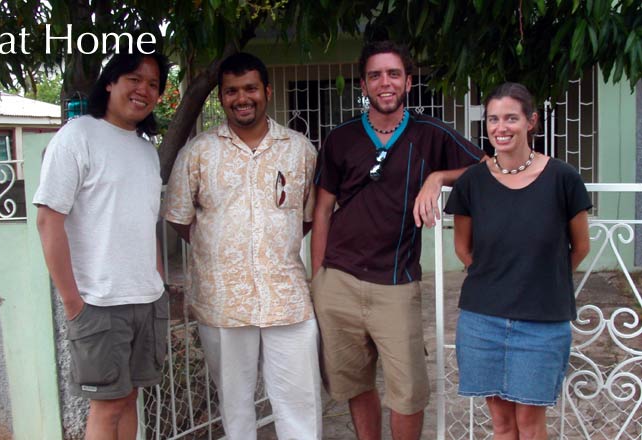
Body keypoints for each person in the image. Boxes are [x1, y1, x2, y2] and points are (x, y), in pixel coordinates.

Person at [311, 40, 485, 440]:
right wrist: (318, 278)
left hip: (396, 284)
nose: (384, 83)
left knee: (407, 393)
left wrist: (436, 177)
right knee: (355, 384)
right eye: (375, 75)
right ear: (363, 84)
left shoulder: (431, 134)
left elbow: (485, 168)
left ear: (408, 80)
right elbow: (322, 210)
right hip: (338, 281)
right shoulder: (341, 138)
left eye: (393, 74)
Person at [162, 52, 322, 440]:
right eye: (231, 91)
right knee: (234, 407)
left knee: (299, 403)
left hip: (286, 300)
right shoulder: (198, 152)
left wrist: (266, 245)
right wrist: (223, 248)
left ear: (266, 91)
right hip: (222, 304)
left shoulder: (299, 150)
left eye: (250, 88)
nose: (241, 97)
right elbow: (182, 220)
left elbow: (305, 217)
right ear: (221, 97)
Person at [33, 49, 170, 440]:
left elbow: (143, 224)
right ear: (110, 81)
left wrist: (157, 282)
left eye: (154, 84)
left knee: (129, 399)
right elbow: (48, 220)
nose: (144, 90)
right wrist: (74, 303)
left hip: (145, 300)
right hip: (98, 303)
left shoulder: (146, 150)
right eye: (134, 79)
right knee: (106, 406)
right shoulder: (77, 137)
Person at [444, 82, 591, 439]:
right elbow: (463, 248)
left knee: (530, 423)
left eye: (511, 117)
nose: (501, 127)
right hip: (483, 322)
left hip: (542, 324)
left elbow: (580, 247)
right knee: (502, 425)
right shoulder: (472, 183)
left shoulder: (563, 178)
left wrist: (540, 279)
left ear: (531, 121)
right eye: (493, 119)